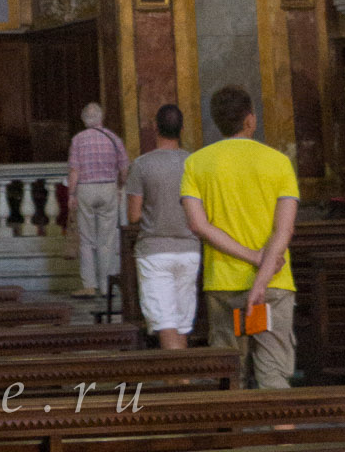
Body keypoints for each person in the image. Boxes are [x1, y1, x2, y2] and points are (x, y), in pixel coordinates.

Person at [180, 84, 298, 388]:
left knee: (228, 377)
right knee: (273, 376)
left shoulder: (196, 163)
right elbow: (283, 230)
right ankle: (285, 436)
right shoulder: (279, 162)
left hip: (223, 284)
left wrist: (252, 259)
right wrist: (261, 272)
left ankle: (232, 435)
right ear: (250, 120)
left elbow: (198, 225)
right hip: (273, 283)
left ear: (218, 122)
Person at [126, 103, 202, 349]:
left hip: (155, 250)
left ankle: (179, 381)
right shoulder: (194, 163)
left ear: (155, 127)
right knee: (181, 322)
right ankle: (182, 380)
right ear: (181, 129)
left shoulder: (142, 164)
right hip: (189, 248)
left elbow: (134, 216)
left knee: (165, 322)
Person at [67, 100, 128, 300]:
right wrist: (120, 186)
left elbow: (74, 170)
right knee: (107, 240)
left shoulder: (78, 139)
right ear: (101, 118)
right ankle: (105, 285)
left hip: (85, 189)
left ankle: (89, 285)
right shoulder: (113, 138)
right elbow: (124, 168)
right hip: (108, 187)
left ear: (84, 120)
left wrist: (71, 194)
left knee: (86, 240)